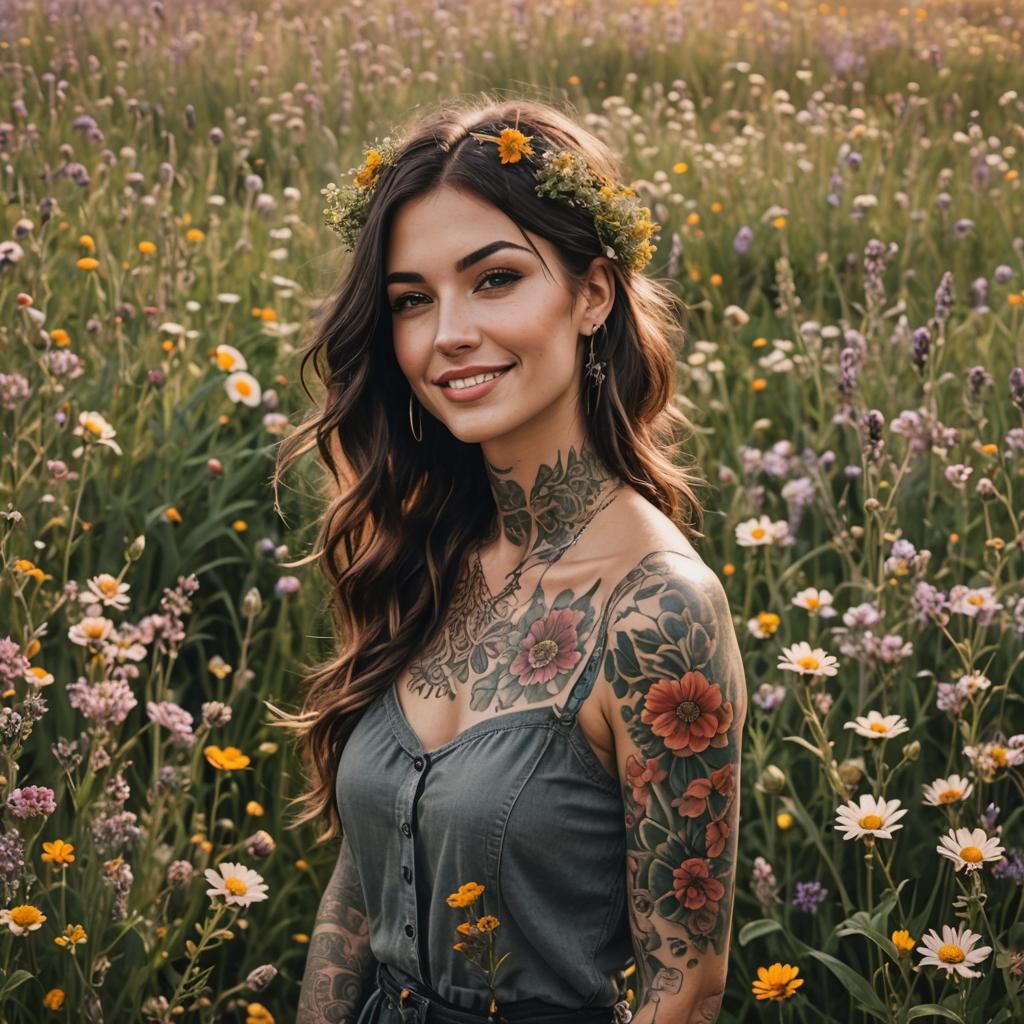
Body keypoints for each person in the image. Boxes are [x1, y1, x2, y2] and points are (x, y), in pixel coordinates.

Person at [276, 95, 747, 1024]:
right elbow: (356, 894)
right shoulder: (429, 553)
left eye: (493, 279)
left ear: (593, 294)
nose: (447, 331)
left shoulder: (658, 613)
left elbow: (684, 990)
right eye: (413, 299)